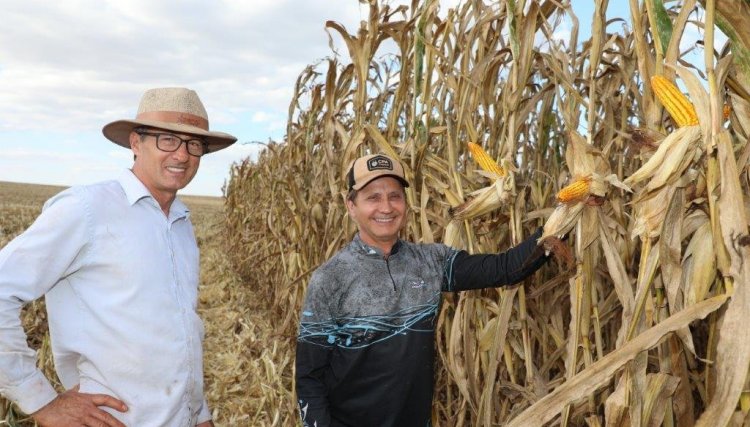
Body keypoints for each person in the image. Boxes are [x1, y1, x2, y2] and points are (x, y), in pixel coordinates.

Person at [0, 87, 237, 426]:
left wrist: (198, 413)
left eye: (194, 144)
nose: (182, 155)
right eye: (168, 139)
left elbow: (180, 331)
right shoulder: (87, 209)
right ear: (135, 143)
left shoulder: (181, 225)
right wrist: (40, 402)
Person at [295, 153, 554, 427]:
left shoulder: (431, 262)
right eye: (372, 197)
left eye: (395, 196)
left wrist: (560, 222)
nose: (386, 207)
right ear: (351, 206)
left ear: (406, 204)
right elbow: (309, 378)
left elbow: (505, 268)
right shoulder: (330, 278)